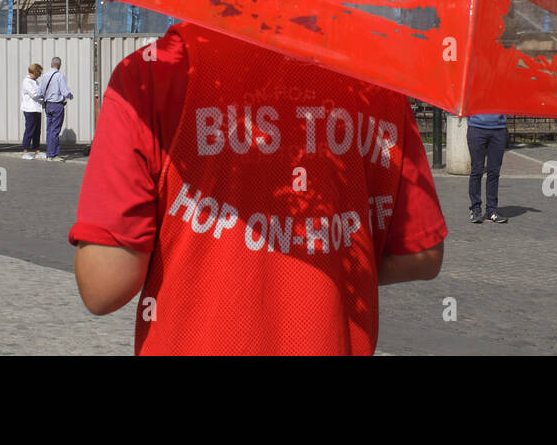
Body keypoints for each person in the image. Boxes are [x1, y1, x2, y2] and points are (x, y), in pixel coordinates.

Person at [71, 21, 447, 355]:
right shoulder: (375, 80)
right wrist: (318, 253)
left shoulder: (151, 73)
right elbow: (423, 253)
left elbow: (105, 285)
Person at [466, 113, 508, 223]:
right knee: (477, 170)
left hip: (499, 129)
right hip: (476, 128)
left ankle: (492, 210)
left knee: (494, 172)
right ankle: (475, 209)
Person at [38, 56, 74, 162]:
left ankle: (50, 153)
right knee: (55, 130)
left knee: (49, 130)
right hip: (57, 105)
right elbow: (65, 92)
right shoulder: (59, 76)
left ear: (51, 64)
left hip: (48, 105)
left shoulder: (45, 76)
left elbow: (40, 92)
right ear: (59, 65)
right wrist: (71, 96)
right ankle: (53, 155)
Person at [21, 63, 45, 160]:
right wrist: (44, 98)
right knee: (29, 130)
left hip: (36, 109)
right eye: (38, 73)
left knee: (37, 131)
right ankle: (25, 151)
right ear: (35, 72)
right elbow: (34, 94)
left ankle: (37, 150)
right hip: (30, 109)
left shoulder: (35, 82)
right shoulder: (27, 81)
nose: (39, 75)